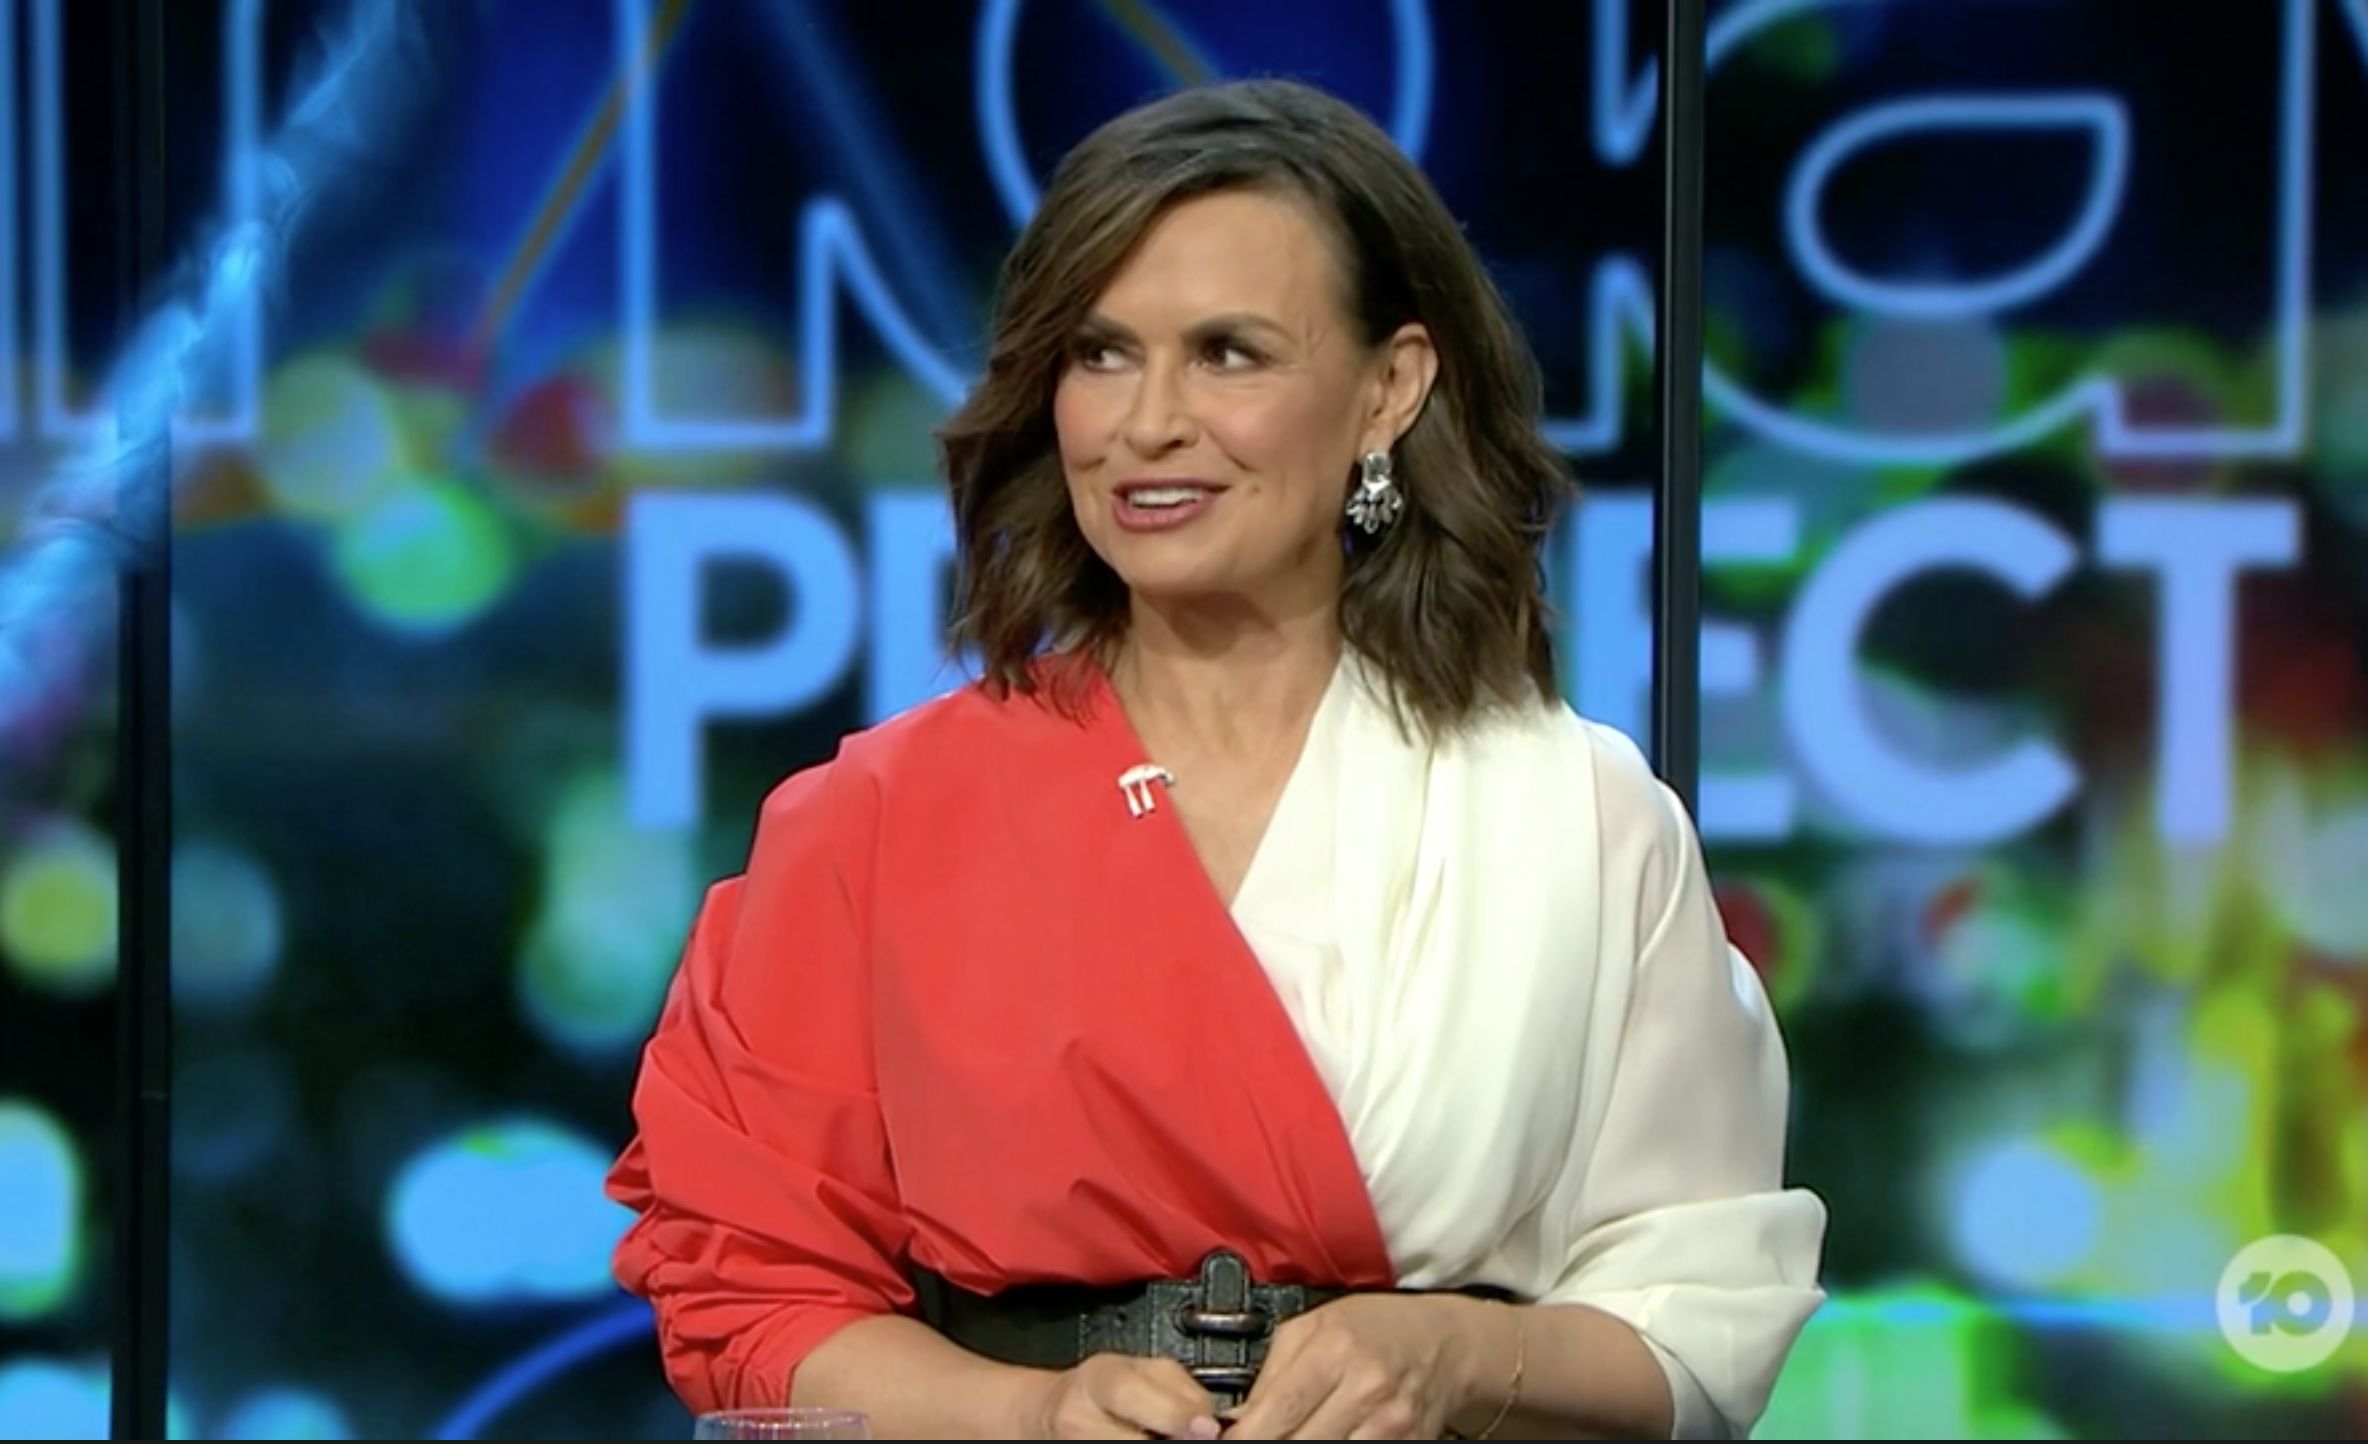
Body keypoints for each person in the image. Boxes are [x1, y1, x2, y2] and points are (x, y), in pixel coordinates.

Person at [605, 77, 1826, 1440]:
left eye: (1229, 354)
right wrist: (1030, 1415)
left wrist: (1459, 1353)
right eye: (1100, 354)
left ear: (1389, 389)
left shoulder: (1576, 817)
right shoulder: (877, 821)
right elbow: (750, 1288)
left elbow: (1695, 1319)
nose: (1147, 423)